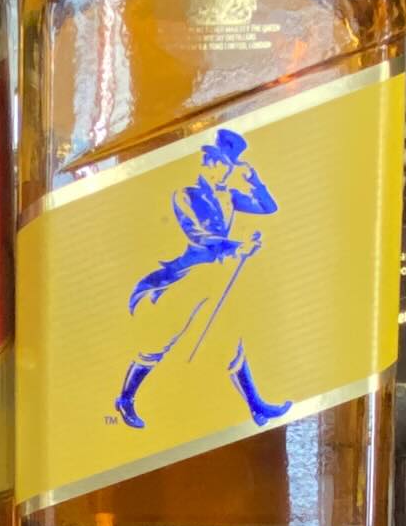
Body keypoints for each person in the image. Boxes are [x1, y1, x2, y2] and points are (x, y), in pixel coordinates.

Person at [115, 125, 292, 432]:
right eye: (217, 162)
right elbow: (199, 237)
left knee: (233, 341)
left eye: (227, 165)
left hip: (216, 277)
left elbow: (269, 207)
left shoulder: (230, 197)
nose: (222, 170)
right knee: (161, 339)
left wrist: (254, 179)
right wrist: (237, 247)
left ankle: (256, 405)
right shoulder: (186, 195)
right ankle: (125, 399)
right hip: (188, 277)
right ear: (208, 163)